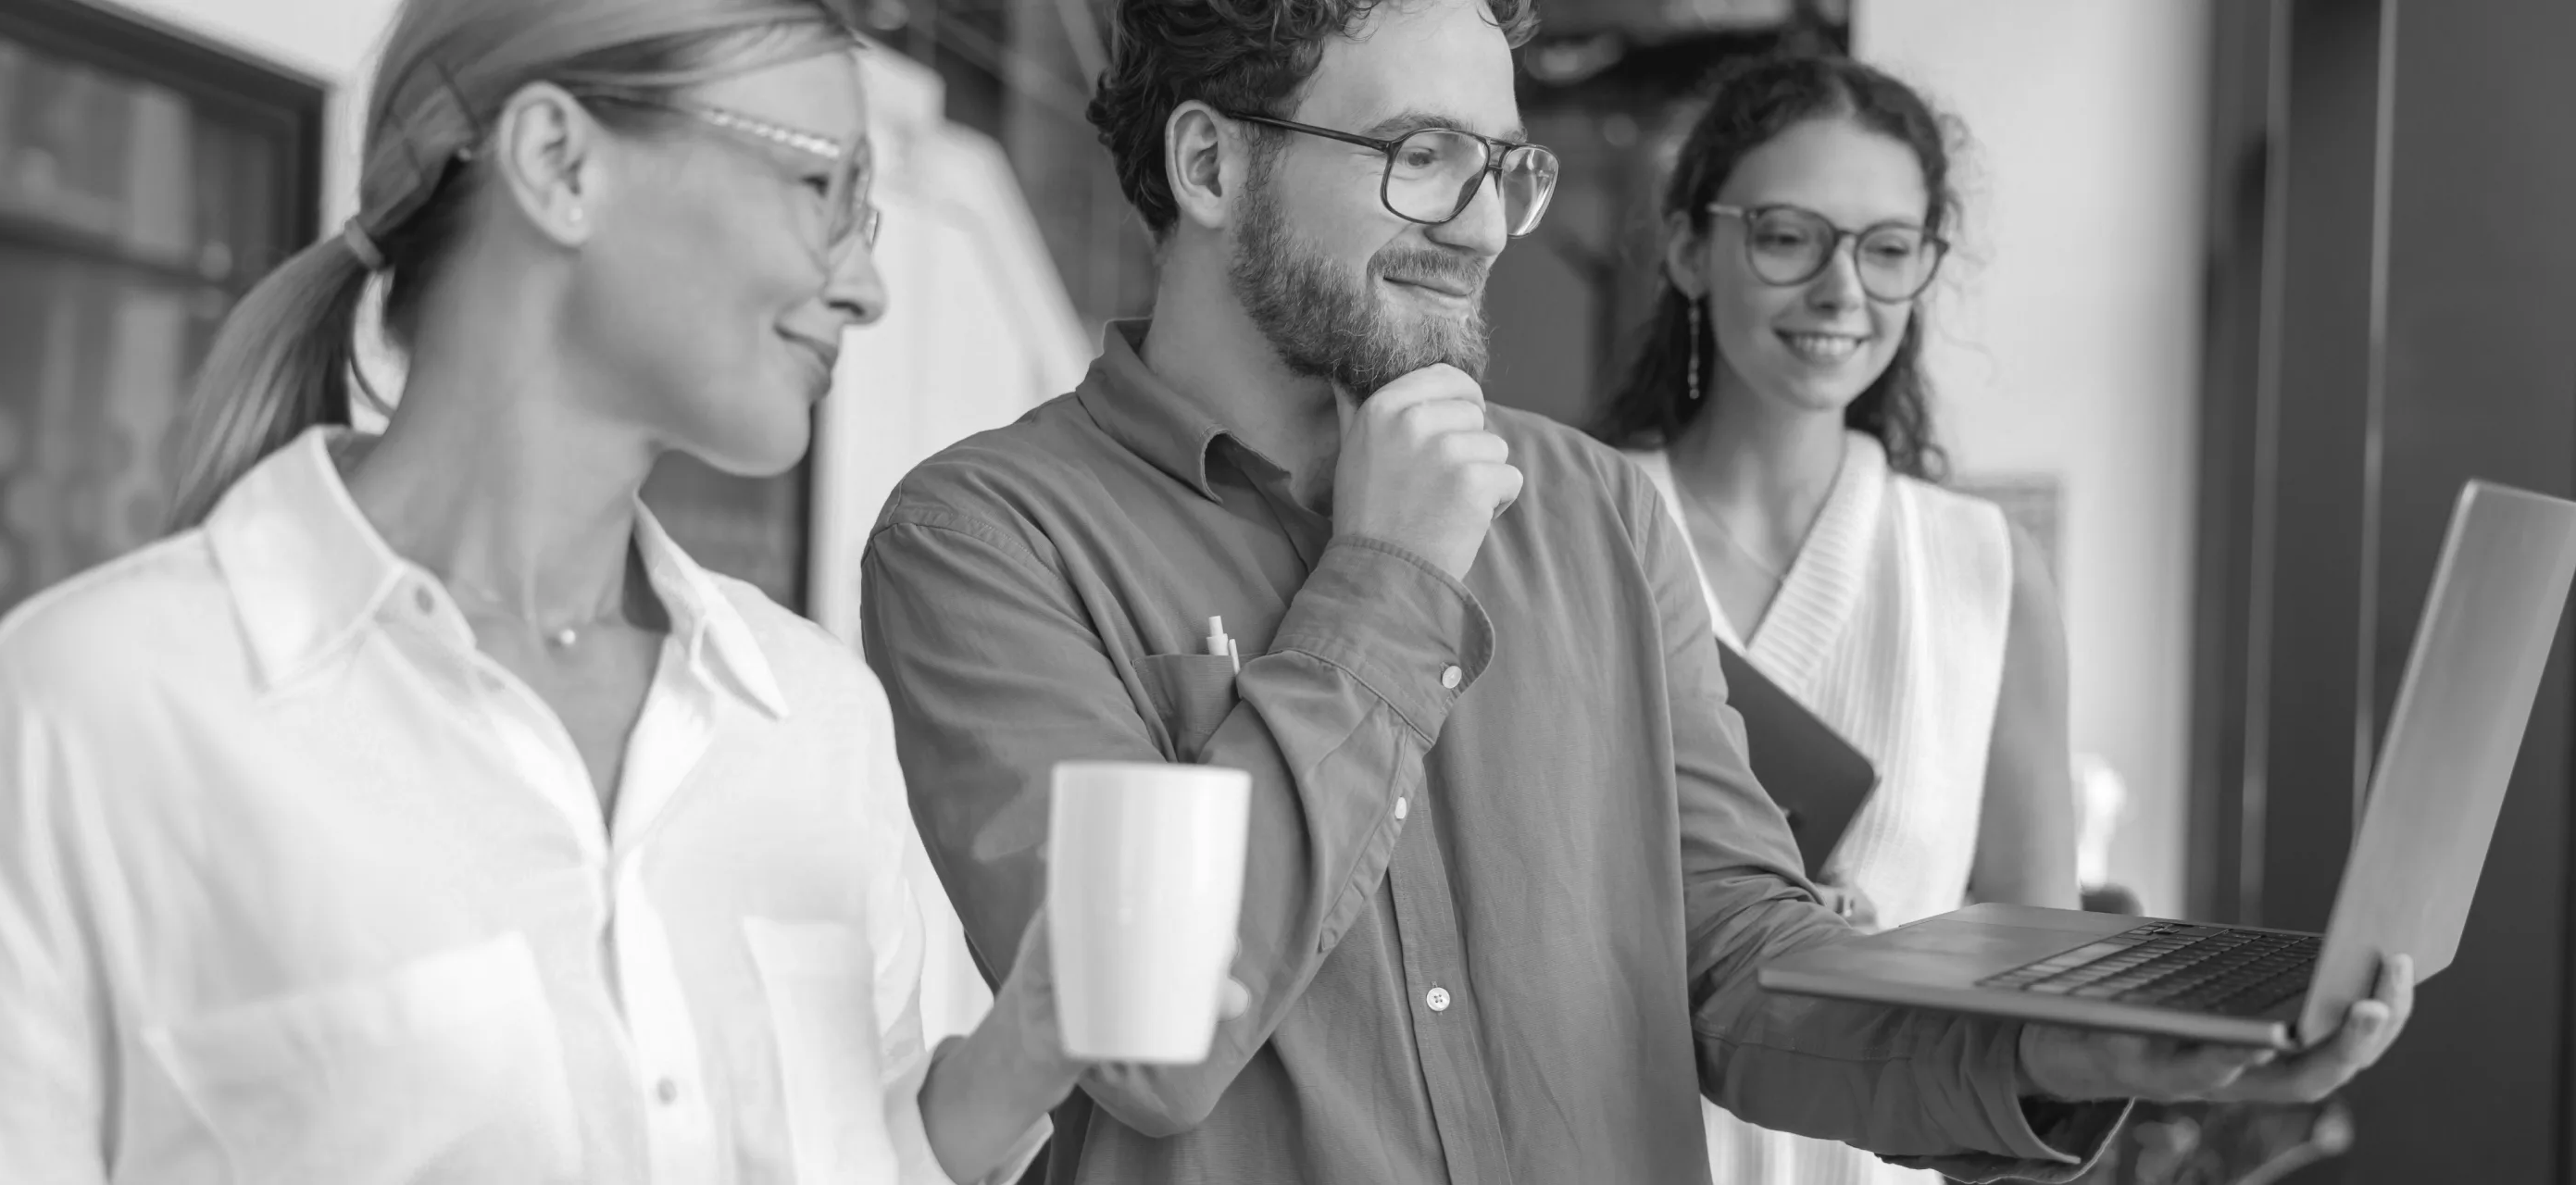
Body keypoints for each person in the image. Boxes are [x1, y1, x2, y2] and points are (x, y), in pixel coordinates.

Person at [856, 0, 2415, 1180]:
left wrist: (2060, 1047)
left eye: (1501, 168)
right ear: (1209, 161)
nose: (1479, 225)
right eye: (1419, 160)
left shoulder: (1592, 510)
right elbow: (1148, 1046)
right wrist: (1387, 582)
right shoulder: (985, 540)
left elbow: (1741, 974)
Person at [0, 1, 1096, 1180]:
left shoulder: (819, 727)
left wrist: (1014, 1062)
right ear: (557, 160)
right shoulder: (83, 720)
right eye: (825, 190)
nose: (868, 285)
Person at [1594, 54, 2079, 1185]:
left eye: (1888, 248)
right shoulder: (1571, 530)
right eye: (1786, 236)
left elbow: (2041, 985)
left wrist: (1869, 955)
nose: (1841, 290)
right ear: (1686, 250)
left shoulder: (1985, 570)